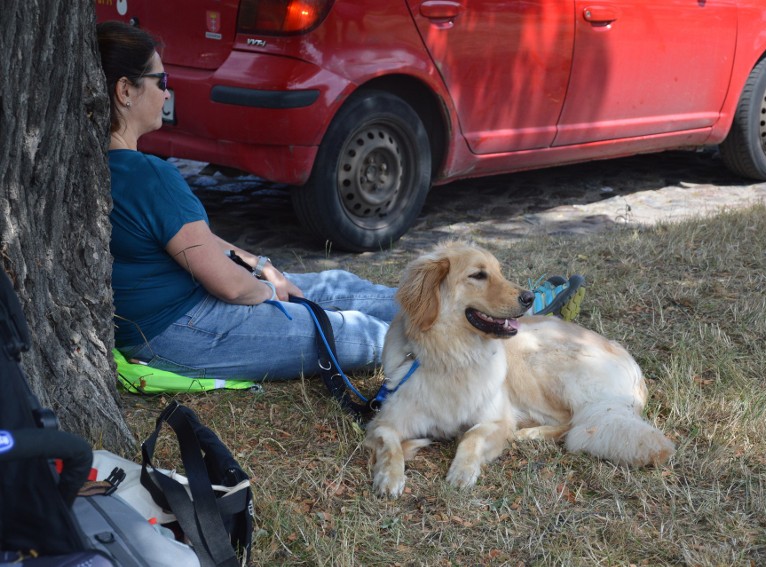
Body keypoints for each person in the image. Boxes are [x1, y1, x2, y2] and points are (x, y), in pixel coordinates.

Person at [96, 21, 583, 382]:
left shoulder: (102, 168)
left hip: (184, 314)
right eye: (160, 82)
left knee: (336, 284)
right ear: (124, 90)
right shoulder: (148, 175)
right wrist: (274, 294)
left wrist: (264, 266)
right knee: (360, 335)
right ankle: (503, 332)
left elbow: (202, 243)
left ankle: (504, 314)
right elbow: (230, 288)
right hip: (180, 330)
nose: (167, 90)